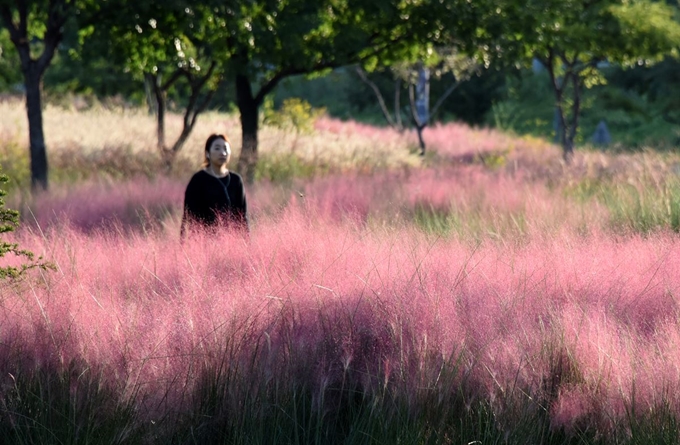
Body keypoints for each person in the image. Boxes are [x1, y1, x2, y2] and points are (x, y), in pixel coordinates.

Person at [180, 134, 248, 237]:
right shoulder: (198, 180)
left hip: (232, 244)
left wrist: (246, 243)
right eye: (217, 148)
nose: (222, 153)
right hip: (203, 242)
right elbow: (189, 218)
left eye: (226, 148)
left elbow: (242, 217)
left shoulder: (236, 180)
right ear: (207, 153)